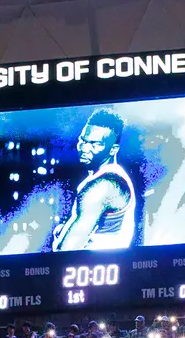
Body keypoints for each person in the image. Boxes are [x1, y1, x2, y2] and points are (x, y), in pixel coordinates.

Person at [51, 107, 135, 252]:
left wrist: (61, 239)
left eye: (95, 144)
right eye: (82, 141)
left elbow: (65, 251)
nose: (84, 148)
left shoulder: (103, 186)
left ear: (113, 149)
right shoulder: (103, 178)